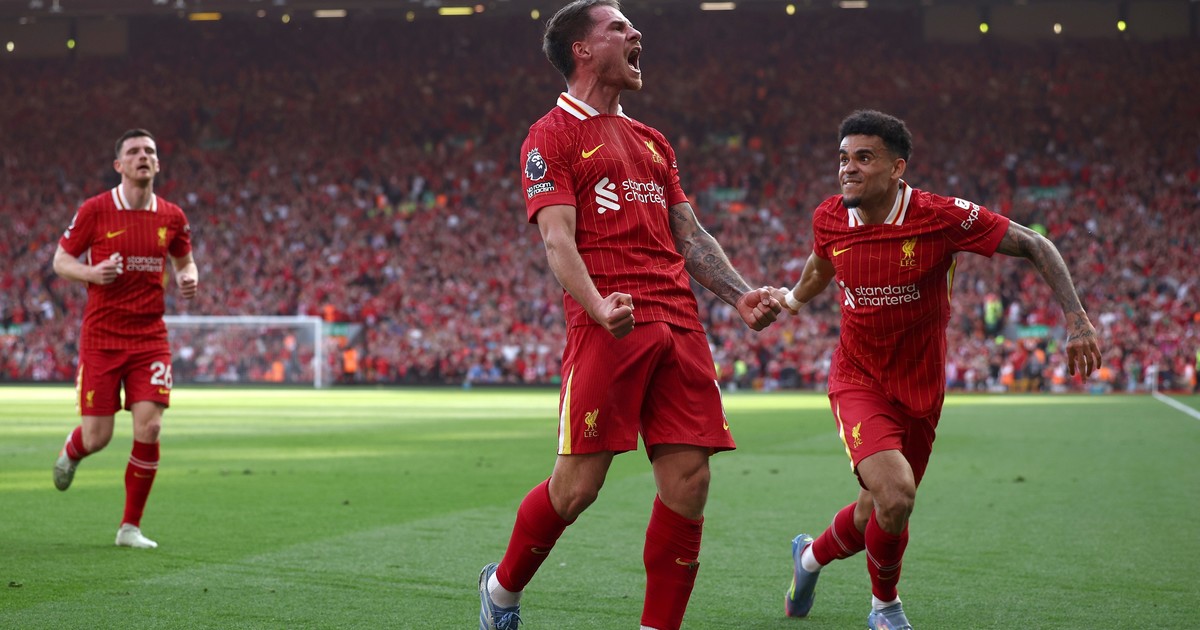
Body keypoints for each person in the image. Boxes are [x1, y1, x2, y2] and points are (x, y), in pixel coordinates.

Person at [478, 2, 782, 628]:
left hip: (680, 322)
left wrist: (739, 294)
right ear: (582, 50)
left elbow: (688, 234)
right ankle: (502, 589)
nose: (635, 32)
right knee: (577, 489)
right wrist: (596, 306)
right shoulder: (551, 135)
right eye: (617, 27)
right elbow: (557, 239)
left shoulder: (652, 141)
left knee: (690, 482)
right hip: (609, 325)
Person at [777, 110, 1102, 629]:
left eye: (864, 157)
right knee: (896, 495)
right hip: (857, 378)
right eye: (843, 158)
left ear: (897, 168)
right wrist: (792, 301)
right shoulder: (829, 217)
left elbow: (1035, 244)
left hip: (921, 389)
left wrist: (1077, 319)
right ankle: (885, 608)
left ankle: (809, 559)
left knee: (875, 511)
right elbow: (821, 264)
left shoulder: (939, 217)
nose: (848, 168)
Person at [51, 129, 199, 549]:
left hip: (150, 338)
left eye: (149, 151)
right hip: (102, 338)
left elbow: (186, 262)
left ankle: (129, 528)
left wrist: (188, 277)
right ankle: (73, 450)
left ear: (158, 163)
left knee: (150, 427)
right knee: (97, 437)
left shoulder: (172, 216)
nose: (142, 156)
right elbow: (61, 260)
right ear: (119, 165)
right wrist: (92, 273)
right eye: (133, 151)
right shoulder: (96, 209)